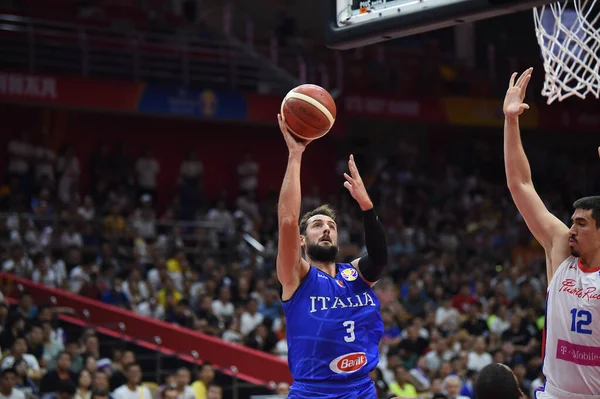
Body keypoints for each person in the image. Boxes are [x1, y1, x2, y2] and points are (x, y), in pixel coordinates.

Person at [276, 114, 388, 398]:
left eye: (331, 226)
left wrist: (366, 207)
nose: (326, 229)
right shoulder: (296, 276)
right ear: (302, 241)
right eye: (317, 225)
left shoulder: (354, 274)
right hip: (313, 392)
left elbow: (379, 258)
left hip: (360, 389)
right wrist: (295, 155)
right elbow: (288, 221)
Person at [504, 67, 600, 398]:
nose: (571, 229)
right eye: (572, 221)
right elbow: (520, 185)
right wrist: (511, 121)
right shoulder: (561, 253)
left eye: (582, 224)